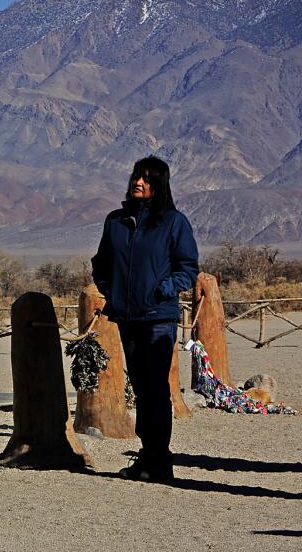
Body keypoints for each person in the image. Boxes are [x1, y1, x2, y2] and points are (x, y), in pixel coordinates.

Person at [91, 155, 198, 483]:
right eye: (137, 176)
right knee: (140, 386)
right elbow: (101, 262)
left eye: (148, 179)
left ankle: (159, 460)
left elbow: (188, 269)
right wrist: (111, 291)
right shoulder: (116, 221)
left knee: (154, 388)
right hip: (127, 316)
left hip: (157, 318)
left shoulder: (173, 222)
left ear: (160, 185)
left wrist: (162, 289)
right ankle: (148, 456)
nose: (139, 182)